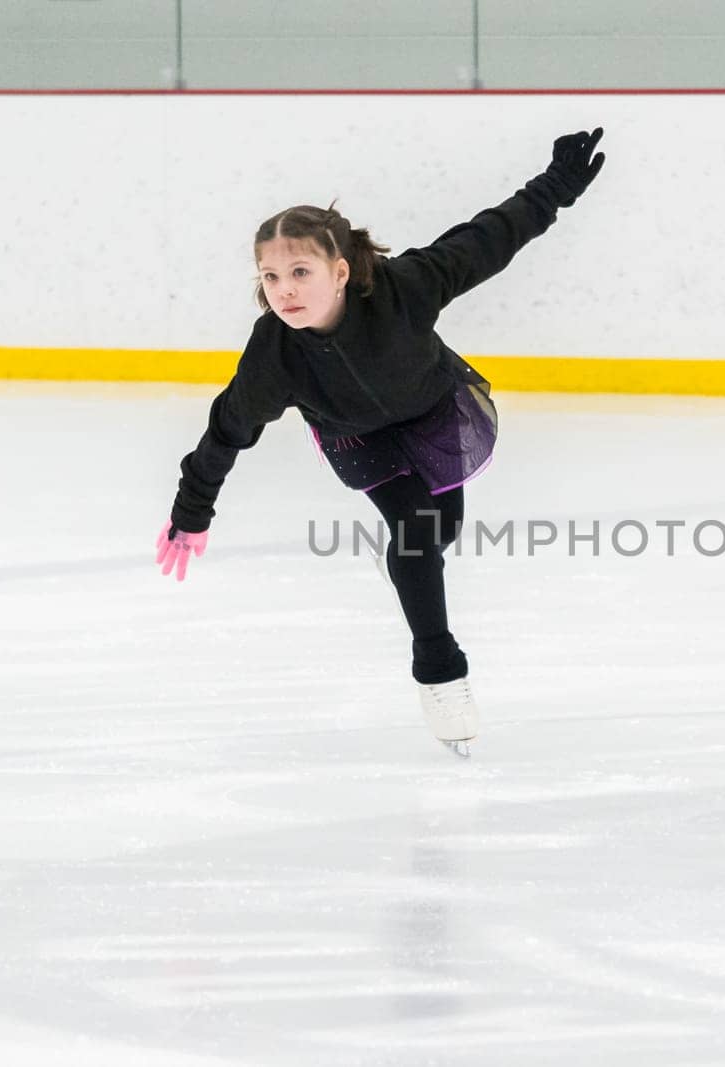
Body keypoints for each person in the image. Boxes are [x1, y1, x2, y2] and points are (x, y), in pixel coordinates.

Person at [155, 127, 607, 756]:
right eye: (270, 275)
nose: (283, 289)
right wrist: (191, 510)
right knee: (420, 533)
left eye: (300, 271)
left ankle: (403, 563)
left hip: (434, 412)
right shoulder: (274, 355)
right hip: (358, 439)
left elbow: (486, 240)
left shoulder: (405, 286)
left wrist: (556, 187)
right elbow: (227, 429)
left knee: (436, 533)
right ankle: (440, 669)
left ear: (340, 271)